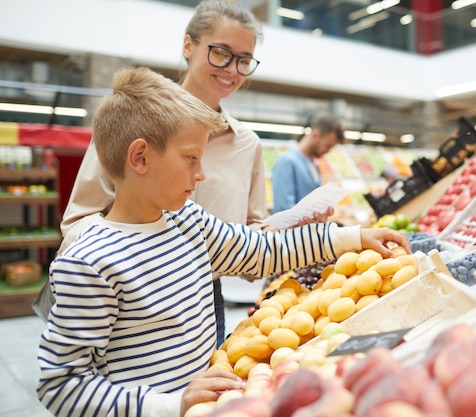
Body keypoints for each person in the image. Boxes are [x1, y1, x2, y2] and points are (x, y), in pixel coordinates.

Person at [36, 66, 410, 417]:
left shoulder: (187, 220)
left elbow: (260, 251)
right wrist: (168, 404)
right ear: (140, 157)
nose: (200, 175)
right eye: (191, 159)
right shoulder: (89, 263)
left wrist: (351, 237)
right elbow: (60, 384)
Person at [39, 0, 331, 346]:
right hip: (131, 298)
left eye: (244, 60)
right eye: (221, 52)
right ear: (188, 45)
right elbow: (80, 220)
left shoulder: (246, 145)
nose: (232, 70)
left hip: (207, 299)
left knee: (201, 396)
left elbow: (250, 242)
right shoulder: (136, 118)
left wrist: (291, 230)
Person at [271, 113, 344, 213]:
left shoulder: (314, 164)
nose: (328, 151)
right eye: (327, 146)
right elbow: (283, 208)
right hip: (292, 228)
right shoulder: (286, 161)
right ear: (315, 135)